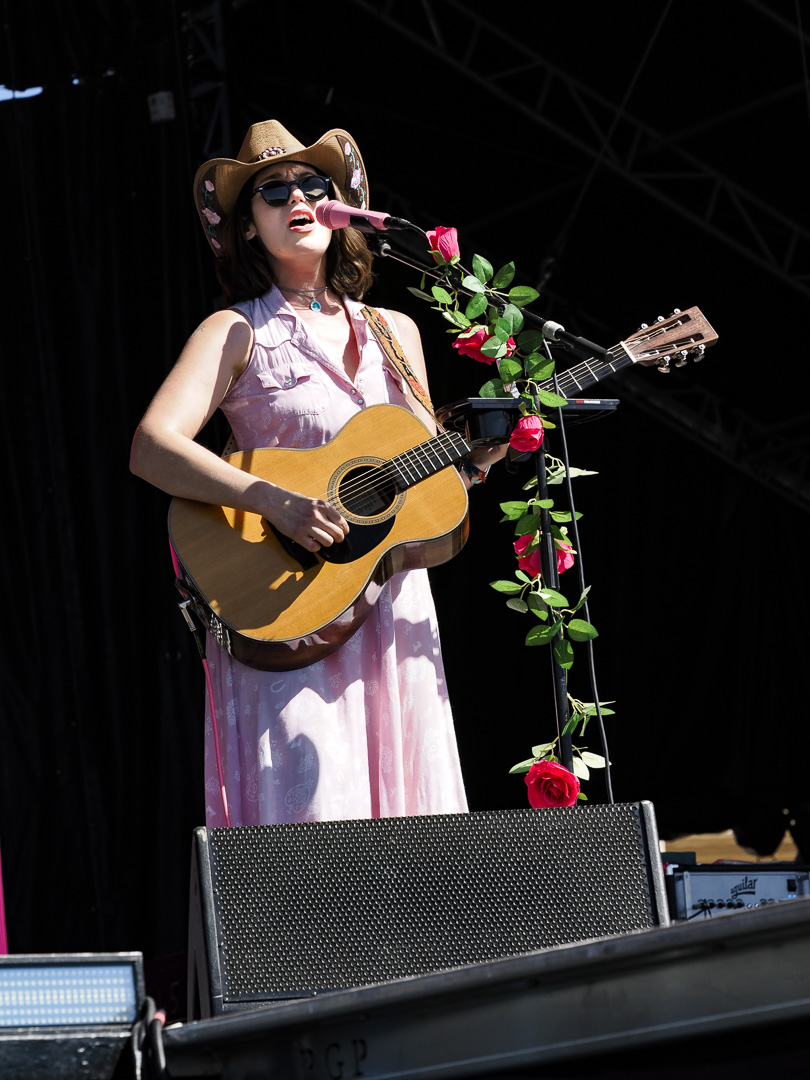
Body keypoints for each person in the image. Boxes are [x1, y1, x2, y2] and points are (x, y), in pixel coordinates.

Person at [130, 119, 503, 827]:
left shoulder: (397, 332)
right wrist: (275, 501)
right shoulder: (235, 330)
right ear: (247, 227)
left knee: (412, 822)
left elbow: (419, 482)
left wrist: (477, 462)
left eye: (311, 183)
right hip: (288, 601)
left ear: (340, 208)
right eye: (273, 191)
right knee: (312, 818)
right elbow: (152, 446)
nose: (296, 196)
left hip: (391, 603)